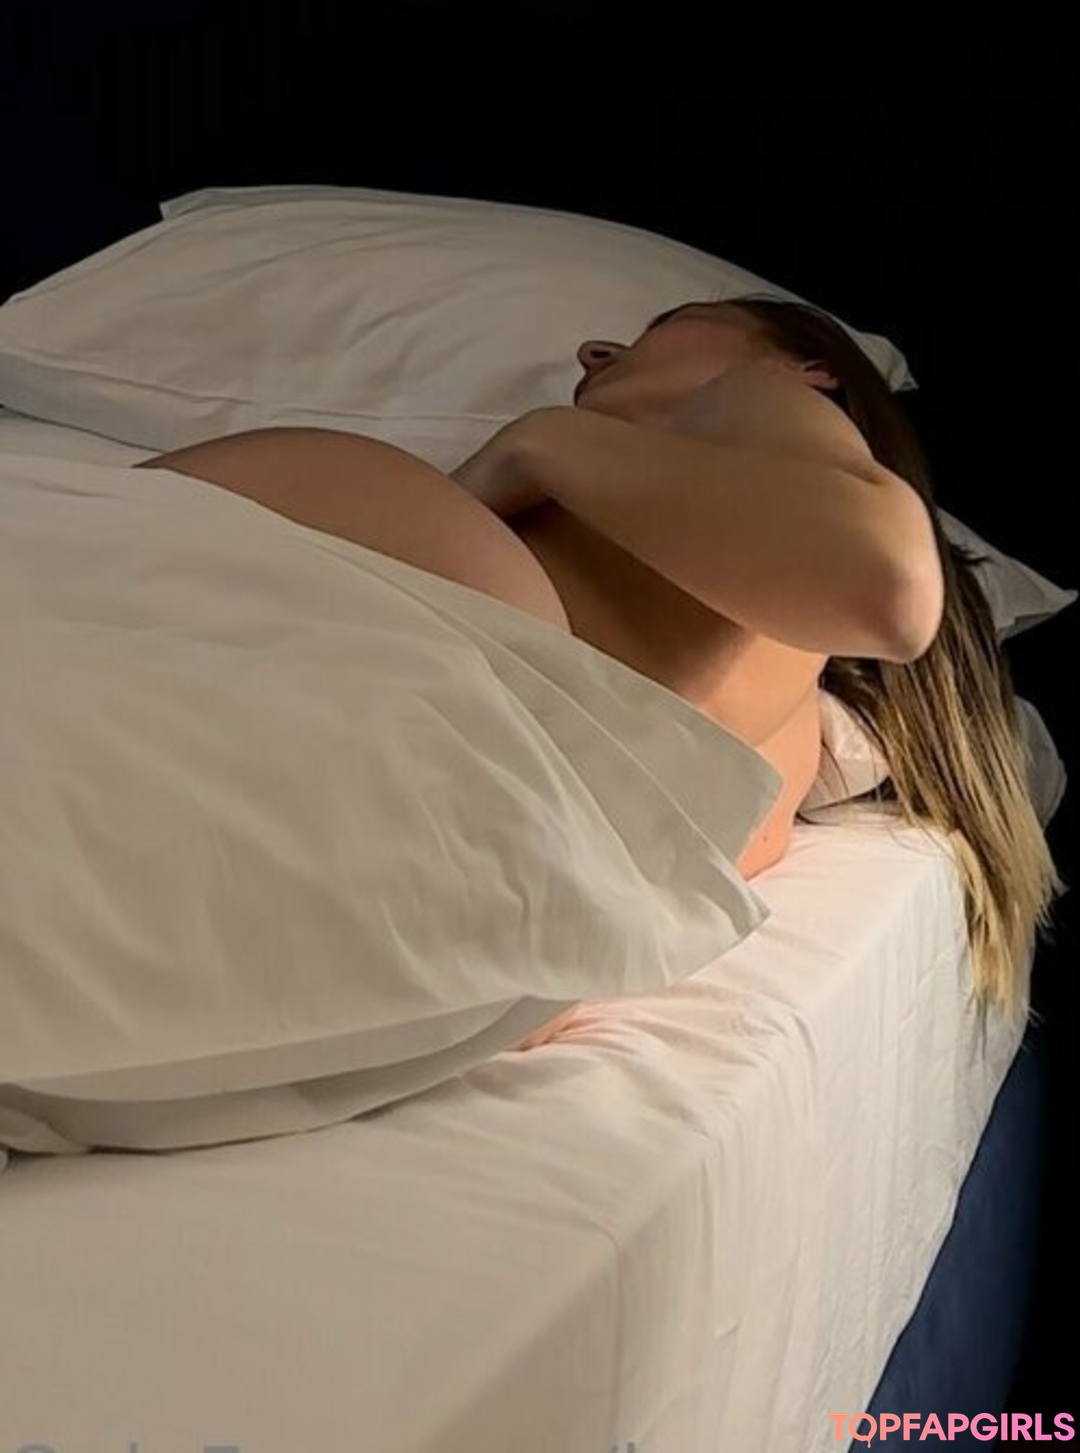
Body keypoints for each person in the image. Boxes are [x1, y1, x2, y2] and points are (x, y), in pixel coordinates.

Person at [136, 295, 1060, 1024]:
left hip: (232, 638)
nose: (593, 353)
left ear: (806, 370)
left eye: (659, 327)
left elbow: (889, 585)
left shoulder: (749, 400)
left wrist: (539, 442)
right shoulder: (773, 751)